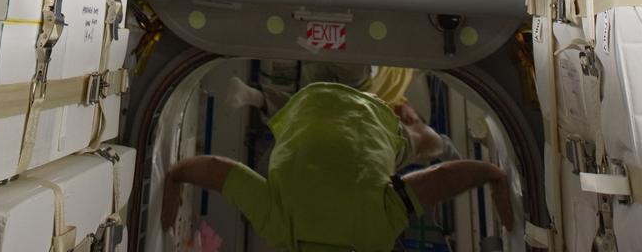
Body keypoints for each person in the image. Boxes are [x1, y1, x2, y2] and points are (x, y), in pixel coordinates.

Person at [160, 84, 513, 251]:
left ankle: (418, 129)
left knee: (428, 147)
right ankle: (260, 98)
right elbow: (221, 170)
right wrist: (176, 176)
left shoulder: (375, 235)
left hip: (372, 115)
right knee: (282, 154)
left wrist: (493, 177)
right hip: (308, 103)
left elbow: (441, 178)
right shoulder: (280, 229)